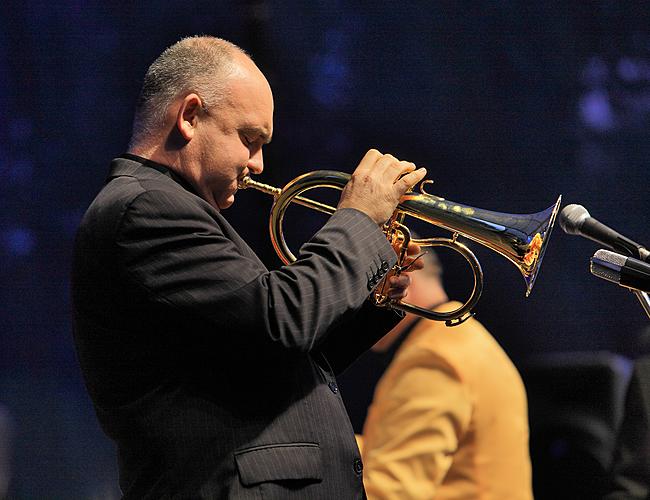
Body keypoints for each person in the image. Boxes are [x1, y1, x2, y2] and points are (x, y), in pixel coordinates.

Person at [70, 36, 426, 498]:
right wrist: (357, 219)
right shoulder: (146, 208)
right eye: (250, 139)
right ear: (190, 116)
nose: (258, 164)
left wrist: (372, 297)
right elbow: (284, 320)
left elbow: (273, 361)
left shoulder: (169, 208)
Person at [356, 250, 533, 499]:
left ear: (400, 277)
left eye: (352, 287)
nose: (344, 305)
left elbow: (391, 491)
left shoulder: (434, 357)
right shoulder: (458, 339)